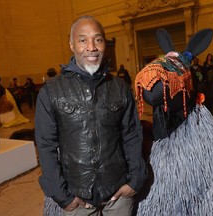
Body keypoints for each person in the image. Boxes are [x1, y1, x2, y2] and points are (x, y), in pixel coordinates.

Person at [35, 16, 147, 216]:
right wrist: (63, 196)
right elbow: (46, 146)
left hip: (119, 194)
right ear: (71, 45)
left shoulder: (120, 87)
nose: (91, 47)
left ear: (105, 44)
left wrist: (135, 180)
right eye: (82, 40)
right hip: (77, 198)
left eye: (98, 39)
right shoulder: (51, 92)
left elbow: (132, 134)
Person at [135, 28, 213, 215]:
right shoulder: (161, 88)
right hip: (166, 142)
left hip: (191, 137)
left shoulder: (205, 137)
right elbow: (152, 95)